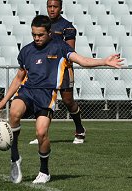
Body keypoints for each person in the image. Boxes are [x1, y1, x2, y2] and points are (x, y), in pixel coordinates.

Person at [0, 15, 122, 184]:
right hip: (27, 92)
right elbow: (18, 78)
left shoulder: (59, 47)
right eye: (34, 34)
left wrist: (104, 61)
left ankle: (44, 171)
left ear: (49, 32)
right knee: (14, 112)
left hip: (46, 96)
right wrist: (2, 101)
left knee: (41, 133)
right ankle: (15, 158)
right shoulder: (27, 50)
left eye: (40, 35)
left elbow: (82, 61)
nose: (36, 38)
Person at [29, 0, 85, 145]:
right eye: (49, 6)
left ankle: (80, 129)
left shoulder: (67, 27)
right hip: (46, 70)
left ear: (60, 8)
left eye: (55, 7)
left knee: (68, 101)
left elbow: (69, 51)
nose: (52, 9)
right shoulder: (43, 25)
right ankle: (41, 134)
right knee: (43, 101)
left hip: (63, 69)